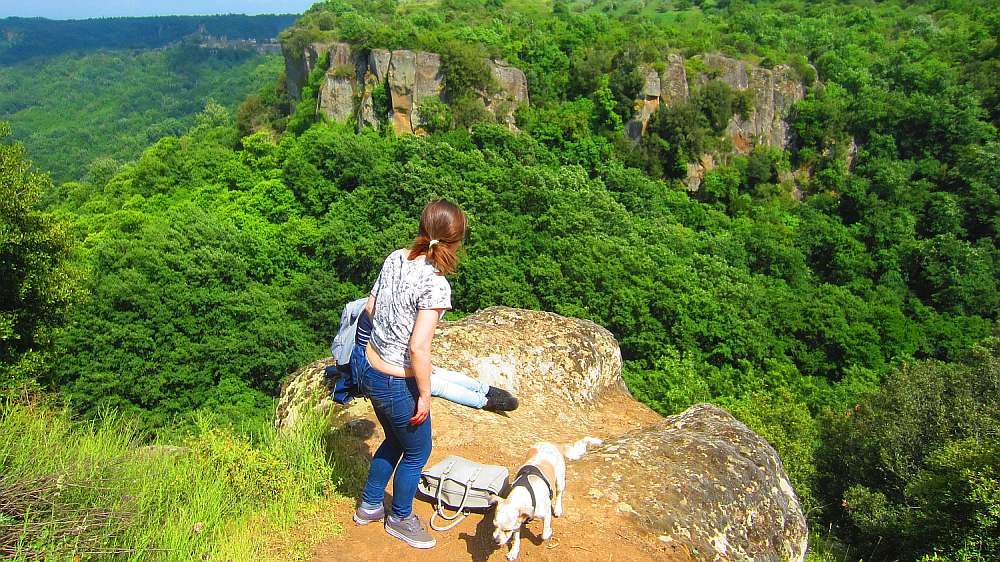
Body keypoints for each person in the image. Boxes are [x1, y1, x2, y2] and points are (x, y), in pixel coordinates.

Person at [348, 200, 464, 549]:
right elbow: (418, 348)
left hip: (370, 366)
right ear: (455, 241)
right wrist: (426, 394)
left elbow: (370, 307)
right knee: (417, 451)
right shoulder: (437, 285)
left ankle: (369, 506)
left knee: (396, 440)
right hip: (398, 380)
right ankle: (399, 517)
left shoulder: (396, 257)